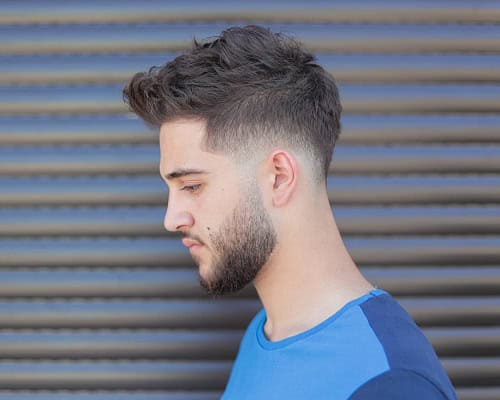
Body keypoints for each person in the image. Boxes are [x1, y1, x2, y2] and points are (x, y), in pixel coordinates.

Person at [123, 25, 457, 399]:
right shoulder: (266, 333)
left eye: (192, 186)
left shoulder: (390, 383)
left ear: (279, 177)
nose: (172, 219)